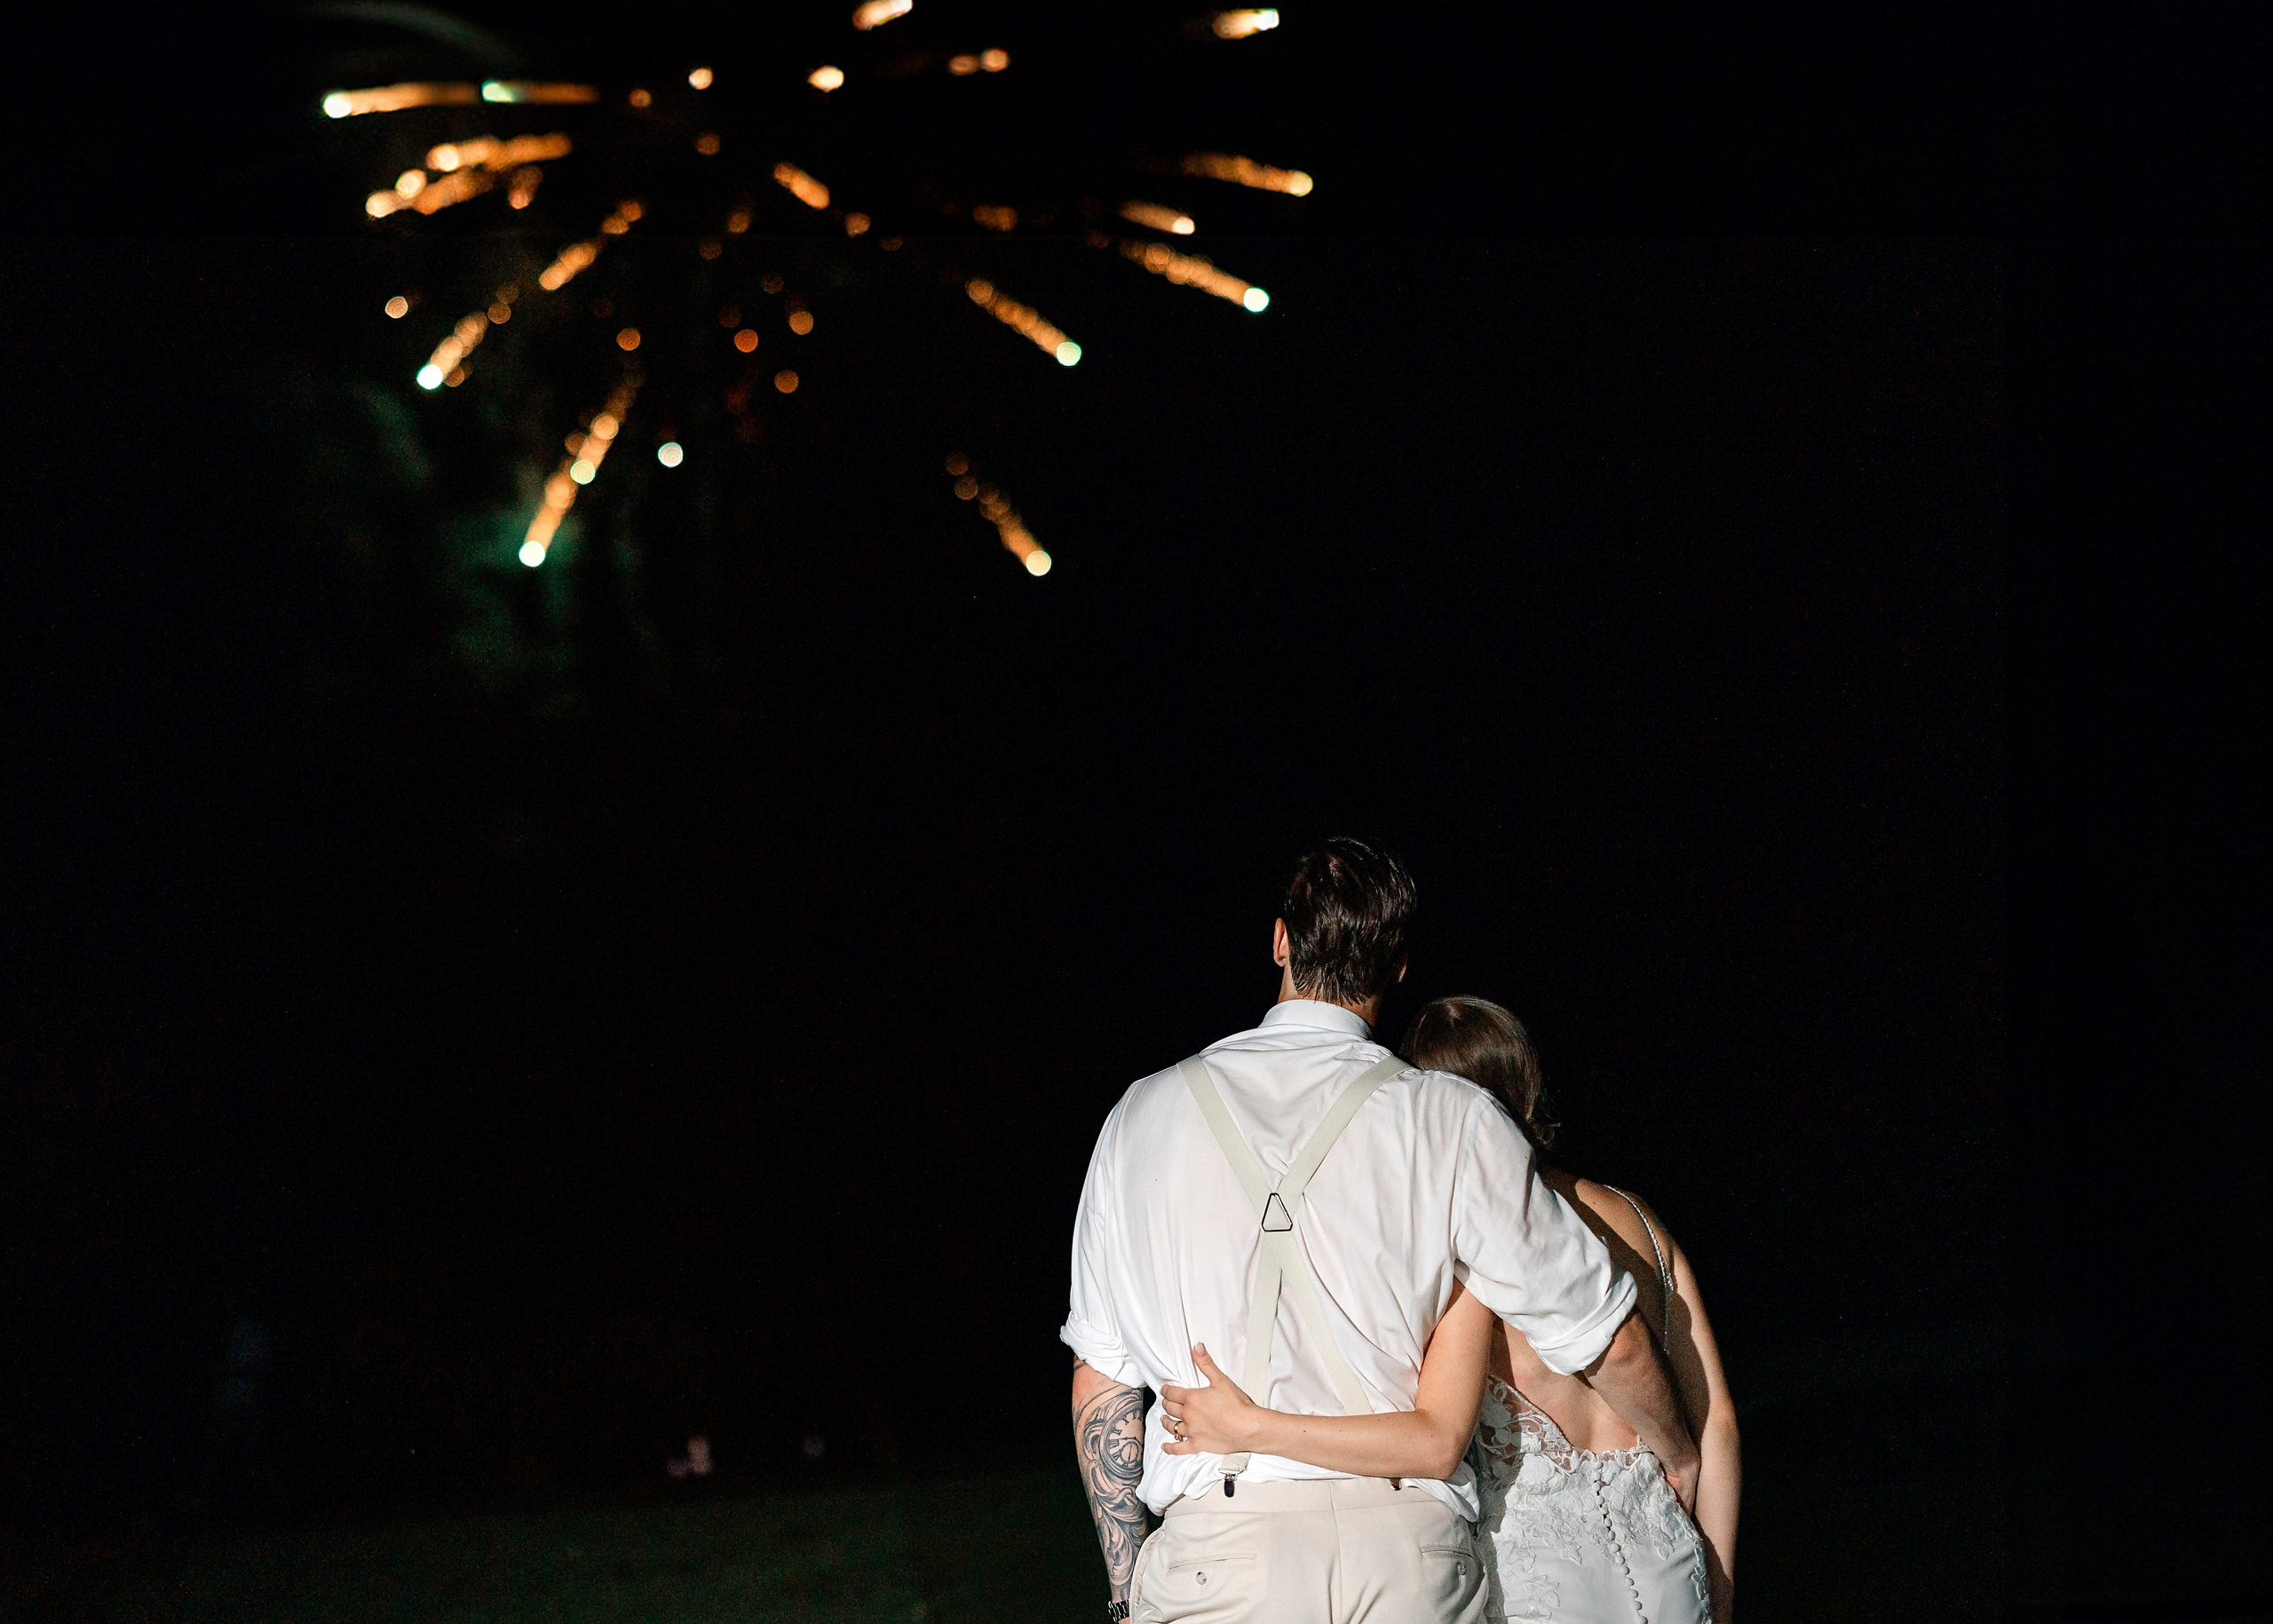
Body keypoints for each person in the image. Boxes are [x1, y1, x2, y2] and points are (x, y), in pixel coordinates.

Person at [1063, 842, 1699, 1624]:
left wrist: (1126, 1594)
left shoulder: (1138, 1120)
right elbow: (1610, 1339)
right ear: (1399, 968)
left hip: (1217, 1562)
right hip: (1407, 1562)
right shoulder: (1454, 1119)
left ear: (1280, 941)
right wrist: (1678, 1447)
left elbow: (1102, 1387)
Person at [1160, 996, 1739, 1623]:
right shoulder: (1642, 1222)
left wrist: (1250, 1426)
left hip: (1540, 1593)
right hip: (1673, 1567)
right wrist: (1717, 1584)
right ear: (1528, 1086)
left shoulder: (1472, 1267)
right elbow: (1720, 1426)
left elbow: (1431, 1437)